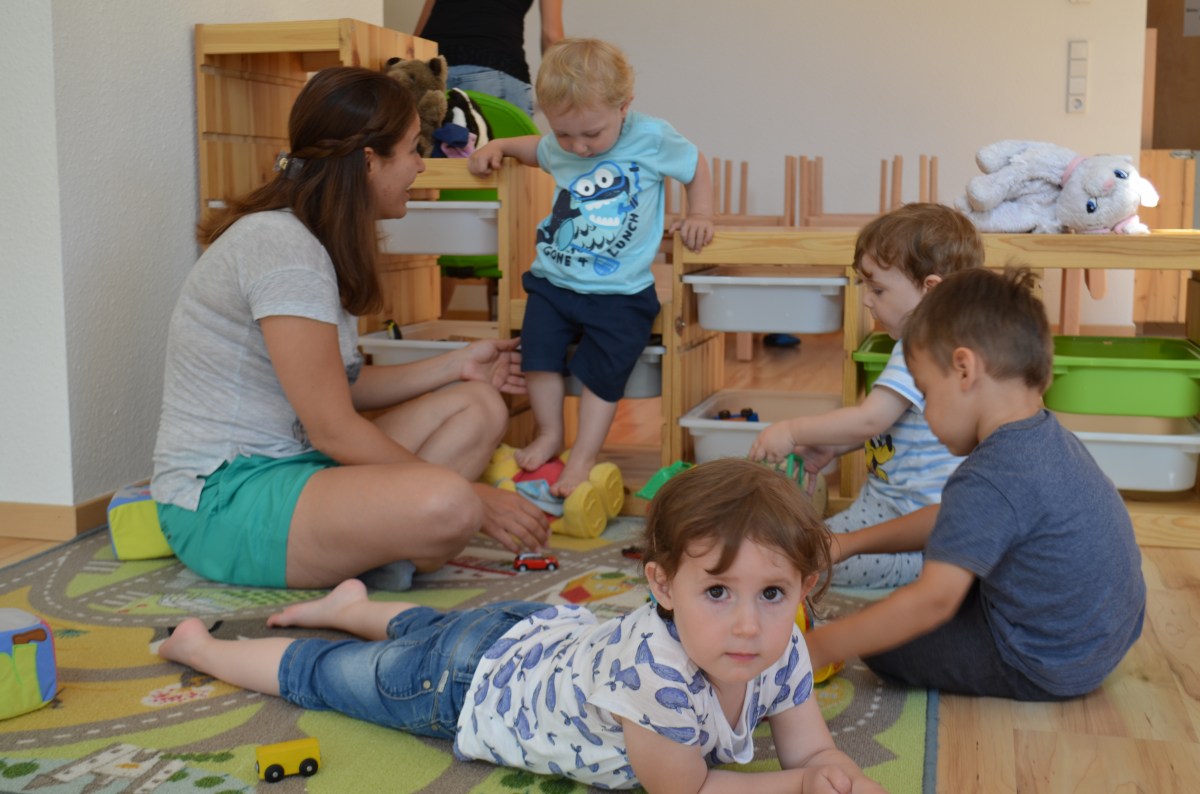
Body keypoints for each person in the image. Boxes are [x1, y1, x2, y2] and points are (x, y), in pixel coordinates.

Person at [158, 458, 886, 793]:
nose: (749, 626)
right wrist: (800, 788)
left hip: (530, 634)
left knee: (427, 625)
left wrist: (839, 774)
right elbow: (688, 790)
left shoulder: (783, 644)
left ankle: (347, 609)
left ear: (803, 587)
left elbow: (810, 748)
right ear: (662, 585)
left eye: (772, 593)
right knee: (332, 675)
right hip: (467, 687)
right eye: (718, 592)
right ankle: (207, 649)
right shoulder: (655, 675)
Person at [151, 66, 549, 592]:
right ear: (368, 161)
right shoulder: (282, 247)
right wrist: (476, 498)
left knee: (478, 404)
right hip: (224, 500)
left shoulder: (311, 240)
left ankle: (368, 552)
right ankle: (378, 548)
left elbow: (337, 388)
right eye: (411, 149)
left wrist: (458, 364)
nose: (420, 165)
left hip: (296, 467)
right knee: (451, 502)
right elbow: (333, 428)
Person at [805, 267, 1146, 700]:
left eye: (926, 394)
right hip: (1102, 636)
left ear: (965, 370)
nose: (926, 415)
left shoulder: (988, 476)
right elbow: (956, 519)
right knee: (905, 605)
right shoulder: (1044, 435)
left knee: (886, 642)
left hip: (1046, 660)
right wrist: (848, 543)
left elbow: (934, 602)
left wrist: (819, 647)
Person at [469, 38, 715, 497]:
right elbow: (535, 148)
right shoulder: (560, 144)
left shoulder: (651, 137)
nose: (578, 148)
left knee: (604, 372)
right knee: (537, 356)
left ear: (624, 106)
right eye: (564, 135)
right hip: (554, 281)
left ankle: (583, 453)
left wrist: (699, 213)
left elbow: (695, 164)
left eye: (591, 135)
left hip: (621, 291)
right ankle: (549, 433)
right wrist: (499, 145)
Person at [749, 203, 984, 589]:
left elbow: (872, 418)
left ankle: (930, 573)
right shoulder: (952, 341)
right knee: (803, 549)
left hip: (911, 526)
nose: (868, 300)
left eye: (878, 289)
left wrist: (792, 431)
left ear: (931, 290)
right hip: (894, 510)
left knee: (801, 561)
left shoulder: (922, 345)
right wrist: (835, 447)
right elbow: (897, 426)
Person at [414, 0, 564, 117]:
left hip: (432, 71)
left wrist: (410, 75)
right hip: (494, 68)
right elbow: (551, 36)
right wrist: (561, 92)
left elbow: (421, 32)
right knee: (496, 148)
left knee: (429, 147)